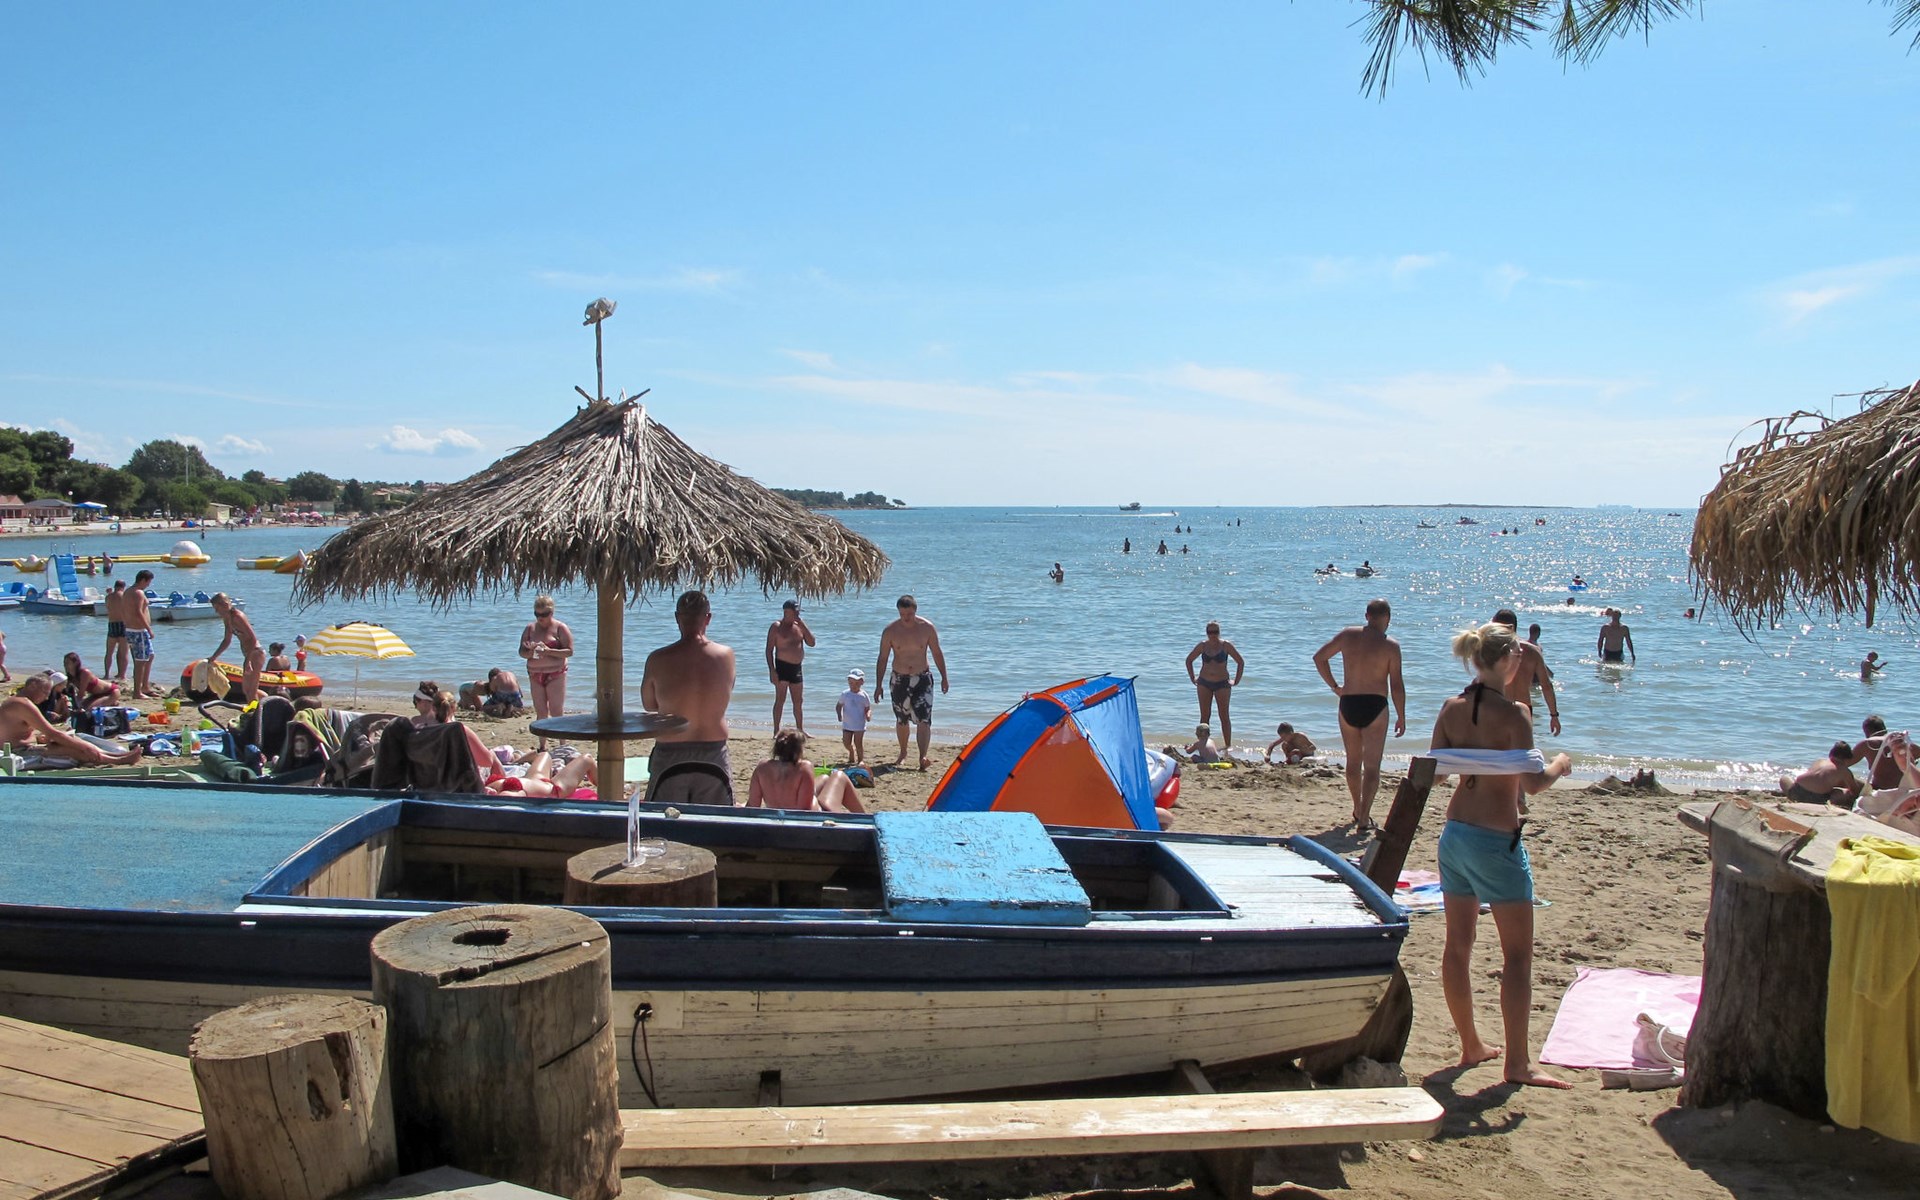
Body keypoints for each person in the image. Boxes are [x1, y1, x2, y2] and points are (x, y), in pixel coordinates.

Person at [1431, 622, 1574, 1090]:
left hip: (1455, 834)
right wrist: (1560, 764)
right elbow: (1532, 783)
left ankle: (1471, 1044)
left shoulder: (1451, 708)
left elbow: (1434, 773)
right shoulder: (1516, 714)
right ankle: (1517, 1063)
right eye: (1517, 654)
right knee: (1517, 957)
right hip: (1495, 841)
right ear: (1509, 660)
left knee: (1458, 945)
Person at [1312, 599, 1407, 832]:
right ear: (1388, 618)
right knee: (1372, 766)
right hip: (1376, 704)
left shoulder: (1347, 635)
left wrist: (1335, 687)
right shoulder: (1391, 645)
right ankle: (1364, 817)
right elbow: (1396, 685)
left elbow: (1319, 658)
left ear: (1367, 616)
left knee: (1353, 761)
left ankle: (1357, 808)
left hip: (1349, 702)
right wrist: (1401, 715)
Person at [641, 590, 737, 803]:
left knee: (663, 819)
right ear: (708, 618)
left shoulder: (657, 659)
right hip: (713, 749)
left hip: (670, 750)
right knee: (716, 819)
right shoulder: (726, 656)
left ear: (677, 618)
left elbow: (649, 704)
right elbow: (726, 691)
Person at [875, 594, 949, 771]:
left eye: (909, 614)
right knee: (902, 719)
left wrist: (944, 677)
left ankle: (923, 756)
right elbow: (883, 658)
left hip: (922, 677)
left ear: (915, 611)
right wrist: (878, 685)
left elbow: (937, 652)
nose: (906, 618)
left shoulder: (927, 628)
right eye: (902, 614)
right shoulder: (890, 631)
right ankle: (903, 753)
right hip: (899, 678)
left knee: (924, 719)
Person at [2, 679, 144, 767]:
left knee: (73, 739)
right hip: (19, 750)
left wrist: (40, 738)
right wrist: (84, 747)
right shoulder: (22, 704)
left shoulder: (15, 702)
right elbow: (52, 733)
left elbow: (18, 731)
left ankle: (114, 756)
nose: (46, 698)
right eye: (45, 692)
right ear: (33, 686)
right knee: (75, 749)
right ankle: (117, 760)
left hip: (24, 745)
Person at [746, 730, 867, 813]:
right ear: (798, 750)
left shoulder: (762, 767)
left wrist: (740, 806)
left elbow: (752, 806)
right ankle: (864, 818)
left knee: (825, 778)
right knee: (839, 776)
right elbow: (804, 811)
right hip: (814, 820)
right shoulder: (803, 767)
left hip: (781, 817)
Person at [1493, 609, 1560, 736]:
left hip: (1499, 707)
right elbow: (1546, 686)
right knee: (1523, 746)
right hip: (1524, 709)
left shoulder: (1491, 650)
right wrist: (1554, 715)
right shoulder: (1533, 651)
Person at [519, 596, 574, 746]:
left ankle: (562, 744)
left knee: (556, 711)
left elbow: (569, 651)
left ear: (551, 613)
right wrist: (531, 652)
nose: (540, 618)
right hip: (535, 674)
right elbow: (521, 652)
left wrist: (549, 651)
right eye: (537, 614)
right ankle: (542, 746)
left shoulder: (560, 628)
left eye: (544, 614)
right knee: (541, 712)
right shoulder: (530, 628)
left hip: (555, 673)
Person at [1184, 621, 1245, 747]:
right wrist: (1192, 677)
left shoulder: (1226, 645)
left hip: (1222, 684)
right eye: (1210, 632)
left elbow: (1240, 662)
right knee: (1205, 716)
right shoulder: (1202, 646)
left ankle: (1227, 745)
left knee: (1224, 715)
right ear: (1206, 633)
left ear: (1219, 632)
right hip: (1204, 683)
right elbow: (1189, 660)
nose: (1212, 635)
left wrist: (1236, 680)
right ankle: (1203, 745)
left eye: (1215, 632)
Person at [766, 599, 817, 735]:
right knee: (780, 700)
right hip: (782, 667)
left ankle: (800, 730)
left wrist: (803, 626)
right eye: (795, 612)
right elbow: (769, 650)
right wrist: (772, 670)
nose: (797, 614)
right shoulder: (776, 627)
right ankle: (776, 730)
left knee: (798, 701)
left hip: (796, 668)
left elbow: (812, 643)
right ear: (786, 612)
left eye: (798, 611)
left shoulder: (799, 626)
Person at [209, 593, 265, 702]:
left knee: (251, 691)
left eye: (217, 608)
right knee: (246, 690)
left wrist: (247, 661)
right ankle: (268, 701)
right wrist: (213, 657)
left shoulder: (238, 616)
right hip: (247, 653)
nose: (216, 612)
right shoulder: (227, 619)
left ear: (225, 605)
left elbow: (253, 638)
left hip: (255, 653)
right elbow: (227, 640)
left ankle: (254, 710)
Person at [1779, 742, 1864, 806]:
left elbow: (1815, 778)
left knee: (1784, 778)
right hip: (1817, 799)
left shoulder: (1820, 761)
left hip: (1796, 791)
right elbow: (1854, 791)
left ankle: (1791, 796)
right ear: (1847, 759)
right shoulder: (1844, 770)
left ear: (1831, 754)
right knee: (1844, 793)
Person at [1852, 715, 1909, 791]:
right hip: (1904, 791)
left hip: (1880, 791)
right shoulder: (1902, 743)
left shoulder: (1867, 743)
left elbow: (1844, 763)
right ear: (1884, 729)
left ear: (1866, 732)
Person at [125, 570, 158, 698]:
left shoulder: (128, 591)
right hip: (138, 631)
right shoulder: (138, 592)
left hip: (131, 630)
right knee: (140, 662)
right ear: (143, 580)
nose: (148, 585)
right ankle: (137, 692)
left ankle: (144, 686)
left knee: (150, 656)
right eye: (148, 582)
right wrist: (149, 629)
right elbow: (138, 612)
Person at [837, 668, 872, 766]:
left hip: (859, 724)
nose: (853, 686)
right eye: (851, 683)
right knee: (846, 742)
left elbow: (868, 707)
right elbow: (839, 705)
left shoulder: (864, 695)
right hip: (847, 723)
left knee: (858, 743)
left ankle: (860, 760)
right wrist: (839, 715)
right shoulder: (845, 694)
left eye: (856, 683)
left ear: (862, 682)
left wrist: (868, 715)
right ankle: (851, 752)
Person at [102, 580, 129, 681]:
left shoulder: (108, 597)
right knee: (124, 652)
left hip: (112, 623)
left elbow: (108, 607)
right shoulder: (124, 596)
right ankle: (122, 675)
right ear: (123, 587)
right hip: (123, 624)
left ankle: (106, 674)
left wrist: (109, 593)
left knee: (109, 652)